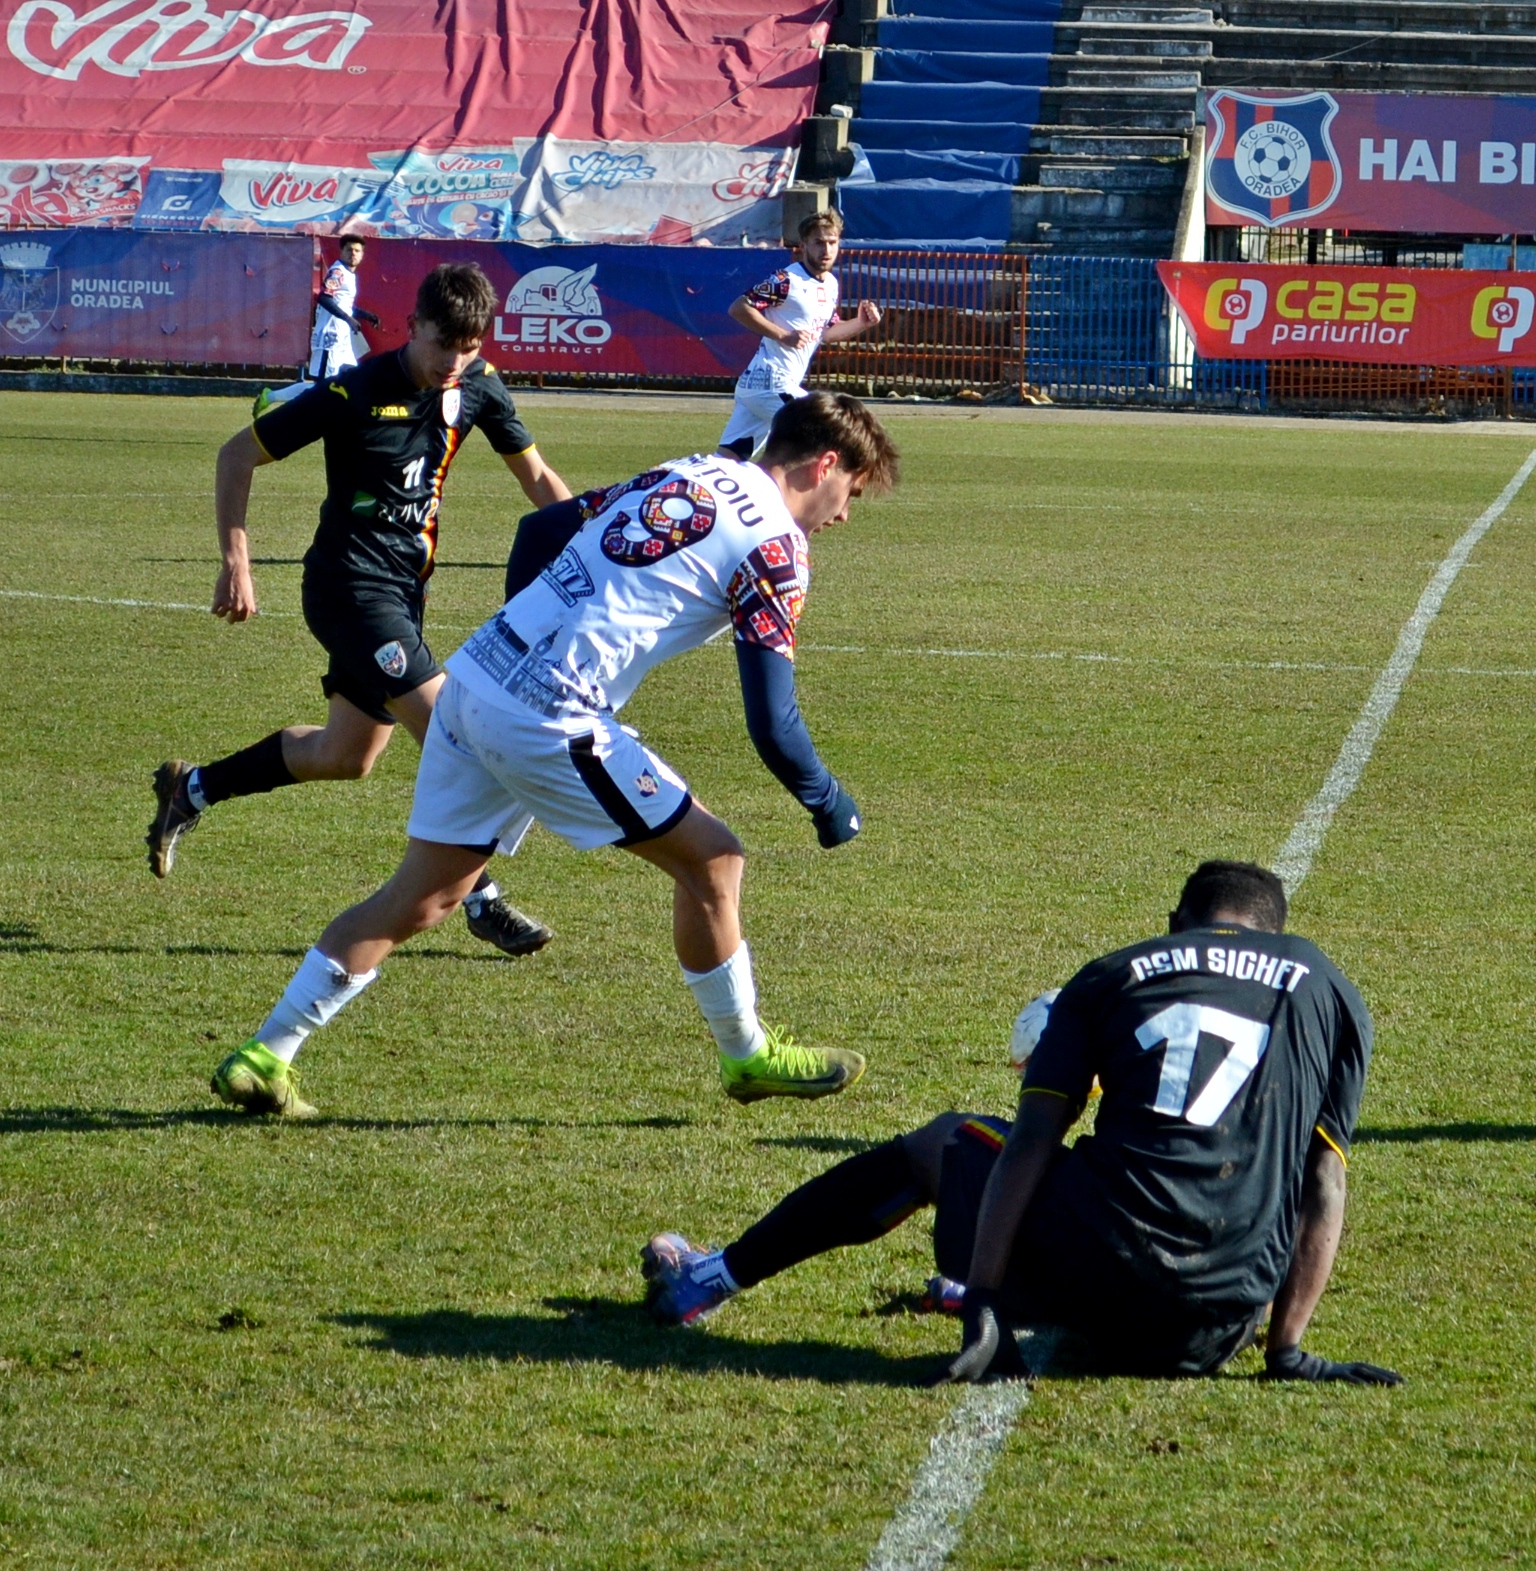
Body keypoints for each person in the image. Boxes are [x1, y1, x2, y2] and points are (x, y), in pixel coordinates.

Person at [205, 392, 898, 1119]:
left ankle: (264, 1055)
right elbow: (772, 719)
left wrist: (536, 632)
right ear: (825, 464)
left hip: (476, 675)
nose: (843, 514)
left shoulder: (692, 470)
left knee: (422, 898)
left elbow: (541, 528)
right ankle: (747, 1055)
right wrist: (827, 799)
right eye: (851, 492)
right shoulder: (777, 548)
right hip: (547, 713)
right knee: (714, 860)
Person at [640, 860, 1405, 1386]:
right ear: (1272, 932)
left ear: (1175, 924)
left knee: (946, 1140)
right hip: (1217, 1330)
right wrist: (1285, 1350)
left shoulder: (1113, 972)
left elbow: (1033, 1144)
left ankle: (708, 1278)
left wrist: (983, 1297)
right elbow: (1324, 1181)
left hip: (1100, 1277)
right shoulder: (1331, 989)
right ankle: (1011, 1293)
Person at [148, 263, 571, 964]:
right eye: (443, 344)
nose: (454, 361)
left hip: (403, 594)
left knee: (346, 756)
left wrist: (590, 545)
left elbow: (537, 476)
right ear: (412, 326)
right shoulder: (354, 391)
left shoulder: (478, 386)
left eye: (468, 348)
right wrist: (237, 562)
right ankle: (480, 898)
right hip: (346, 589)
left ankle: (190, 789)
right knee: (456, 728)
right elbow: (237, 454)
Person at [718, 211, 882, 460]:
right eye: (819, 242)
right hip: (771, 383)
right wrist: (783, 335)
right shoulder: (786, 279)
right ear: (803, 246)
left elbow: (826, 333)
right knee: (829, 430)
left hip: (763, 387)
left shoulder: (830, 284)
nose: (826, 249)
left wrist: (861, 323)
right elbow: (739, 307)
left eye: (832, 242)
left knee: (727, 461)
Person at [261, 234, 378, 410]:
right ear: (341, 252)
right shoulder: (338, 272)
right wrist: (348, 319)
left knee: (352, 378)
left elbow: (341, 304)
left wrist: (365, 315)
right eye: (349, 250)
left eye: (357, 251)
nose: (353, 254)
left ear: (362, 255)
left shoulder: (349, 274)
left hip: (342, 339)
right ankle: (271, 397)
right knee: (323, 387)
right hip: (329, 338)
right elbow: (324, 298)